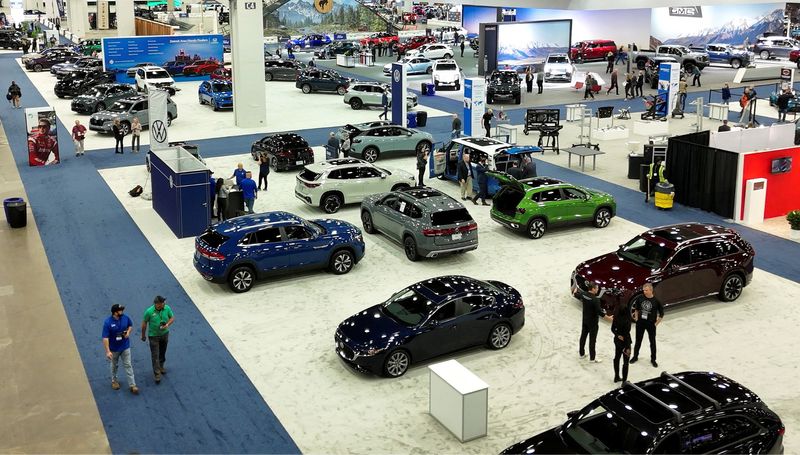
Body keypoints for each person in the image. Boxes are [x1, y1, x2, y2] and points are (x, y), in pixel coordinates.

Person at [102, 304, 138, 395]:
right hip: (114, 349)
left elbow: (130, 325)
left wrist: (128, 332)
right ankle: (114, 381)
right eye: (120, 310)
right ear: (115, 312)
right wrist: (108, 351)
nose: (122, 311)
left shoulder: (125, 318)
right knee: (114, 365)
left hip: (125, 346)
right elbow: (105, 338)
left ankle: (132, 385)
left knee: (128, 365)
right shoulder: (108, 323)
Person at [141, 295, 174, 384]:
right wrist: (143, 335)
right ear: (157, 304)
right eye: (162, 302)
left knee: (163, 352)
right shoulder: (149, 311)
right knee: (155, 355)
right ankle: (157, 374)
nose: (164, 303)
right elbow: (144, 324)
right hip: (153, 336)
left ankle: (161, 366)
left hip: (165, 334)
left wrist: (167, 325)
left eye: (164, 302)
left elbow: (172, 318)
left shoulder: (167, 308)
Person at [574, 282, 611, 362]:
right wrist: (609, 318)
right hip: (593, 323)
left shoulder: (583, 294)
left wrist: (574, 290)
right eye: (597, 288)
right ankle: (592, 358)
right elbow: (600, 312)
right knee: (592, 340)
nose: (597, 290)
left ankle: (581, 354)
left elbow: (576, 294)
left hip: (585, 320)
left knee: (583, 337)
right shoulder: (595, 300)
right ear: (593, 289)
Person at [631, 283, 664, 368]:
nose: (644, 292)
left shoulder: (656, 301)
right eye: (644, 290)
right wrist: (637, 319)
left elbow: (661, 314)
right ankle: (635, 356)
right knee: (638, 341)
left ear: (651, 290)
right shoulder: (640, 298)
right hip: (641, 323)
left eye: (646, 290)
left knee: (652, 342)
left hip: (650, 324)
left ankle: (653, 359)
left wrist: (656, 324)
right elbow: (636, 309)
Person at [611, 303, 632, 383]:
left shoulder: (616, 318)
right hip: (626, 343)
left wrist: (617, 335)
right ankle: (624, 381)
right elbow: (627, 333)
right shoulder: (627, 320)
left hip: (617, 341)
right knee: (626, 362)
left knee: (617, 357)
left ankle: (616, 376)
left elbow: (612, 329)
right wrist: (627, 347)